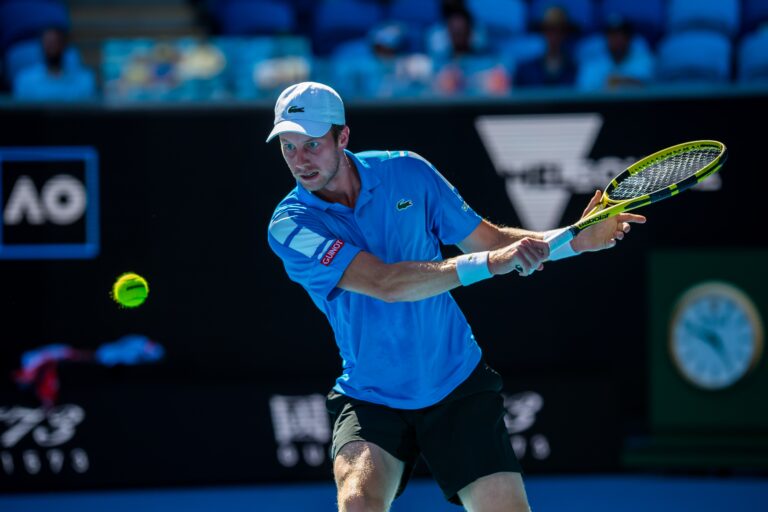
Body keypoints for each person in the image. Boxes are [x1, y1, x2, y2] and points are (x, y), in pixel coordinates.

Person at [266, 81, 646, 511]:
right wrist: (492, 263)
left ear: (343, 136)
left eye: (312, 144)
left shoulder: (408, 172)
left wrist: (575, 240)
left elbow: (493, 241)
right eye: (289, 147)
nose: (301, 161)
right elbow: (386, 284)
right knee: (358, 504)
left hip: (456, 382)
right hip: (372, 395)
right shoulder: (290, 225)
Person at [12, 27, 96, 101]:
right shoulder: (25, 80)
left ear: (64, 45)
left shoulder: (84, 80)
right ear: (42, 45)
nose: (53, 48)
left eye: (56, 42)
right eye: (49, 43)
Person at [576, 15, 655, 91]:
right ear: (606, 37)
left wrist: (620, 81)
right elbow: (585, 93)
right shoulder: (592, 64)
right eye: (613, 34)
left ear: (630, 38)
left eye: (623, 34)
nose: (618, 39)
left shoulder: (644, 60)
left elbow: (647, 85)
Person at [514, 5, 578, 88]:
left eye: (559, 29)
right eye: (549, 29)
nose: (554, 35)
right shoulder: (525, 71)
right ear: (543, 31)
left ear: (565, 33)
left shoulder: (576, 70)